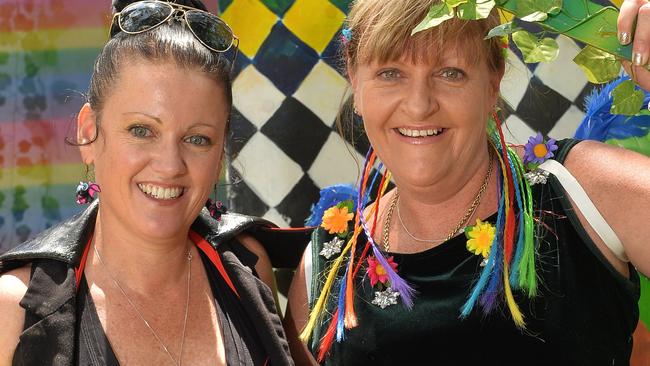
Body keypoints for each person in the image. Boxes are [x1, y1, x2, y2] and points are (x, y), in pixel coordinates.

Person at [284, 0, 650, 364]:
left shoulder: (581, 189)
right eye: (391, 73)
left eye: (450, 72)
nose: (418, 105)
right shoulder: (326, 268)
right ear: (354, 78)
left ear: (493, 82)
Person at [0, 1, 293, 365]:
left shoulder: (247, 267)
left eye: (198, 138)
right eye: (141, 130)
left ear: (221, 155)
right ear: (89, 133)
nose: (170, 166)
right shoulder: (14, 308)